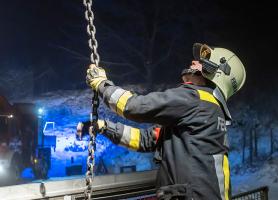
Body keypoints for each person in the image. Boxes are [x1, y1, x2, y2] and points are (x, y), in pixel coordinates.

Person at [85, 43, 246, 200]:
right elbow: (147, 140)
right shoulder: (210, 108)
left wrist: (101, 84)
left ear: (215, 71)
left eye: (201, 62)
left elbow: (132, 106)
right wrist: (105, 127)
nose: (193, 62)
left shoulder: (195, 98)